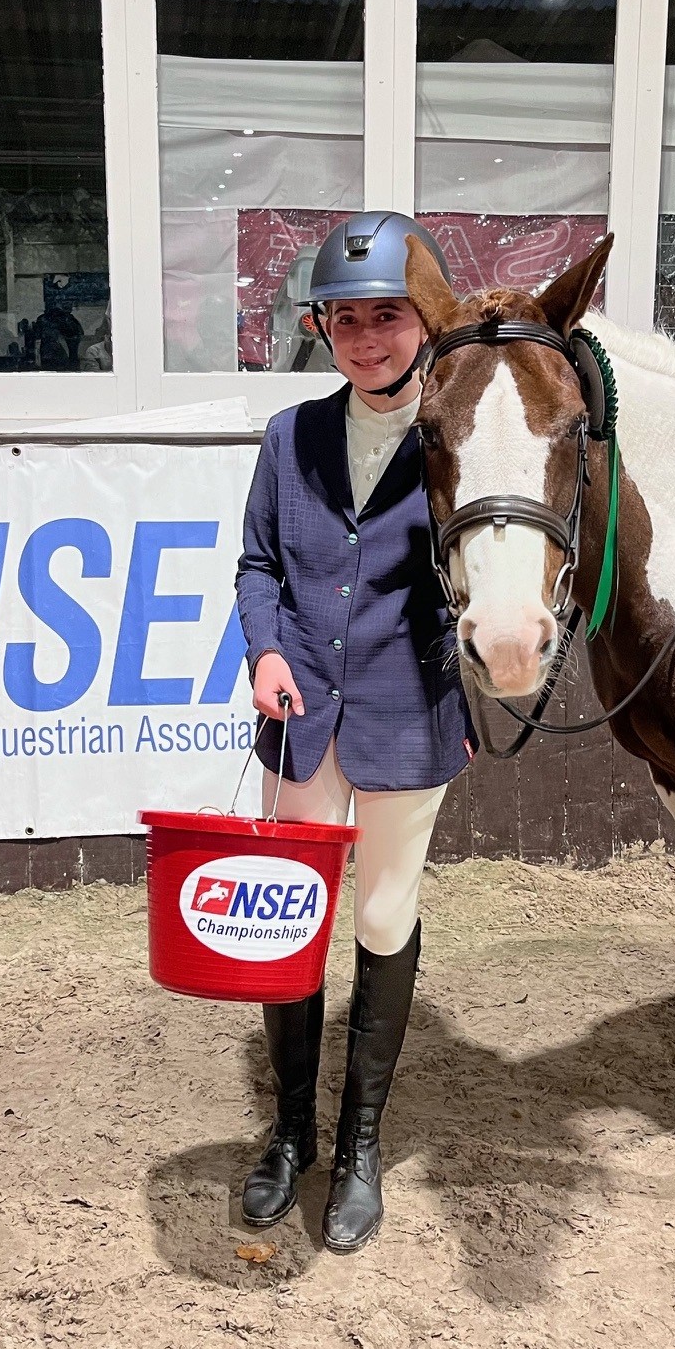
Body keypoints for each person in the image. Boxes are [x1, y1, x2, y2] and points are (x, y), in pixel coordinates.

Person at [234, 211, 475, 1255]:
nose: (368, 339)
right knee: (290, 918)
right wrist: (265, 652)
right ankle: (290, 1132)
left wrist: (471, 708)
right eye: (346, 321)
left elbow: (492, 585)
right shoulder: (291, 436)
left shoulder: (459, 436)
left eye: (387, 317)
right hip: (301, 718)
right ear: (322, 331)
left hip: (406, 720)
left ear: (422, 322)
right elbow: (258, 566)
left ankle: (361, 1143)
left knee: (382, 919)